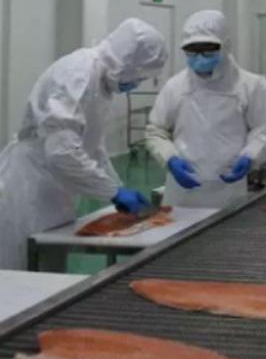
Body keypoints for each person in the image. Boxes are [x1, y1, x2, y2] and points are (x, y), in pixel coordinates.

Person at [0, 18, 167, 270]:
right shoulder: (79, 73)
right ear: (125, 60)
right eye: (138, 75)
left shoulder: (101, 81)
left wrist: (116, 187)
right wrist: (112, 192)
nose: (136, 83)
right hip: (30, 185)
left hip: (54, 186)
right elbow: (60, 151)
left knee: (49, 266)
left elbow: (92, 147)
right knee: (22, 266)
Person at [145, 10, 266, 209]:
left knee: (227, 228)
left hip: (228, 186)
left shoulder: (249, 86)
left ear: (225, 46)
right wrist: (170, 159)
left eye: (208, 51)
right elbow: (156, 131)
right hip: (182, 189)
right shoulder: (175, 87)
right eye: (192, 52)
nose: (199, 58)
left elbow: (264, 129)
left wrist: (250, 156)